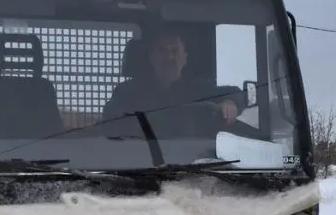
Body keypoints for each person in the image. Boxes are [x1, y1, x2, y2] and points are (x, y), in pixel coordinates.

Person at [102, 25, 247, 136]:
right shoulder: (127, 92)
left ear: (185, 57)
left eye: (175, 51)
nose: (170, 57)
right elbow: (111, 121)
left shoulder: (200, 90)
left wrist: (230, 102)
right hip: (139, 162)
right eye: (162, 51)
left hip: (195, 163)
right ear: (151, 56)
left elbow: (235, 93)